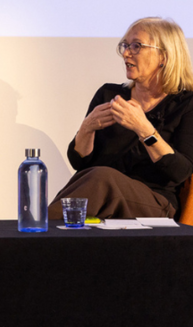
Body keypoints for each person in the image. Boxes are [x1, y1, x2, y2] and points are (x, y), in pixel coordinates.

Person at [49, 17, 193, 219]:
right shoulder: (109, 95)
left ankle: (35, 234)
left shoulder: (186, 104)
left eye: (136, 46)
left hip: (155, 203)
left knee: (102, 177)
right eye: (125, 45)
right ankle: (40, 231)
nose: (126, 53)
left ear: (164, 56)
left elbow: (181, 172)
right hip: (103, 196)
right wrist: (87, 128)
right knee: (91, 178)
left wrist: (144, 129)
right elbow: (79, 162)